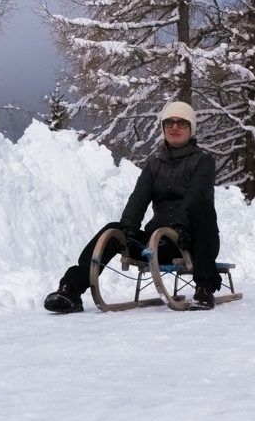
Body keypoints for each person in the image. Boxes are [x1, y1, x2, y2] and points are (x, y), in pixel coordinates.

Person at [44, 100, 221, 312]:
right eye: (169, 123)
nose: (174, 127)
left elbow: (196, 194)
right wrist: (127, 228)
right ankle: (71, 289)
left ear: (190, 129)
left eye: (181, 123)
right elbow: (139, 198)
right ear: (163, 128)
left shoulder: (203, 161)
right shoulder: (154, 164)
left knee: (202, 208)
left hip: (193, 241)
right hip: (159, 243)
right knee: (113, 230)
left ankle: (204, 288)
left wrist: (181, 225)